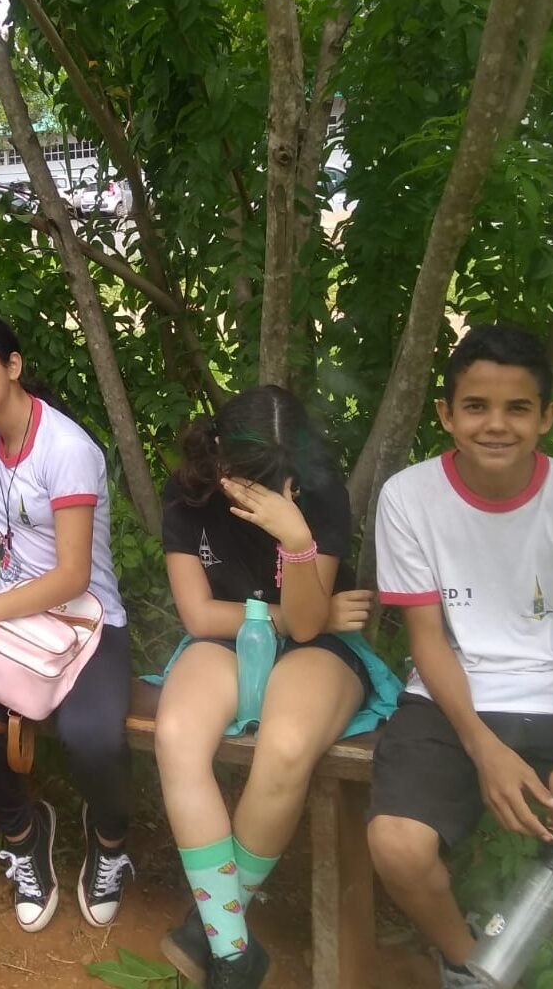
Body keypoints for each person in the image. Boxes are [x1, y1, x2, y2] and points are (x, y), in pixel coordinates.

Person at [367, 325, 553, 989]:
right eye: (476, 406)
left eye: (517, 408)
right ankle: (470, 966)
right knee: (397, 844)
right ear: (447, 414)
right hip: (451, 698)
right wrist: (483, 749)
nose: (496, 425)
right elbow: (428, 640)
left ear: (547, 417)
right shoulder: (409, 497)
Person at [150, 386, 398, 988]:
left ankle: (212, 931)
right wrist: (300, 614)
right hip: (226, 637)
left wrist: (297, 540)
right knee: (176, 734)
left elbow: (309, 631)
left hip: (315, 650)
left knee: (285, 745)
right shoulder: (187, 493)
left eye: (279, 484)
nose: (264, 495)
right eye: (249, 481)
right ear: (218, 457)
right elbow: (200, 616)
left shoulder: (318, 490)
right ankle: (236, 955)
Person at [0, 312, 134, 934]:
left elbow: (71, 577)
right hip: (19, 620)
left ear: (12, 365)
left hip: (86, 618)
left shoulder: (67, 450)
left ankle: (110, 838)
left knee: (93, 737)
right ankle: (24, 832)